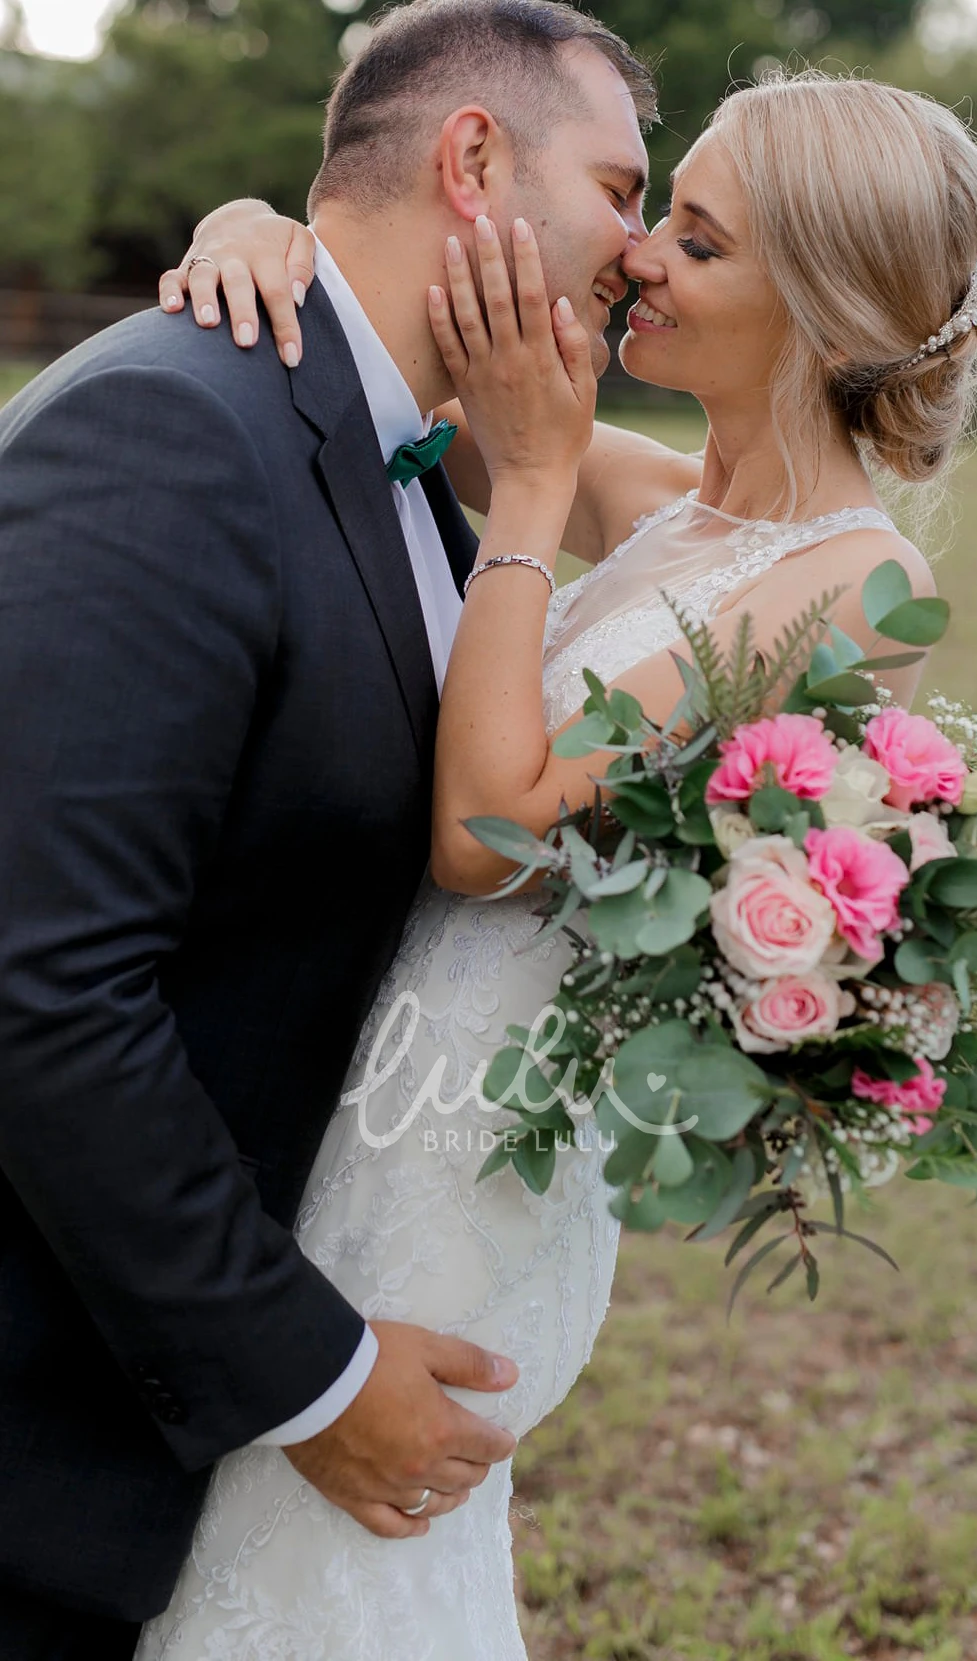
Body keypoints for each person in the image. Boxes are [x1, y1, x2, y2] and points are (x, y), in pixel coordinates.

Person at [143, 63, 977, 1659]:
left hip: (471, 1145)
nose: (638, 257)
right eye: (659, 213)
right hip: (354, 1083)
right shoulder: (667, 506)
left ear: (823, 313)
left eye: (701, 241)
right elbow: (372, 365)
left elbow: (489, 833)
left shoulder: (863, 583)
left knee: (326, 1561)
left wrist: (535, 490)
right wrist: (255, 228)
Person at [0, 2, 660, 1656]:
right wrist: (309, 1372)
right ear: (472, 159)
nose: (639, 252)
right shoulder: (173, 430)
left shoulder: (407, 454)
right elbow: (36, 981)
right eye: (621, 191)